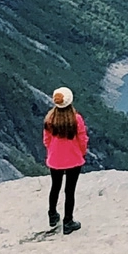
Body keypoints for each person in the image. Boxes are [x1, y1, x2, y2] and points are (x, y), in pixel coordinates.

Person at [43, 86, 88, 234]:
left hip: (55, 159)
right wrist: (81, 153)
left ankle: (52, 215)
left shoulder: (50, 118)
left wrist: (52, 152)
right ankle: (68, 222)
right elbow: (82, 139)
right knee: (70, 191)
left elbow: (46, 140)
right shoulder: (76, 119)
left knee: (55, 187)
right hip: (73, 159)